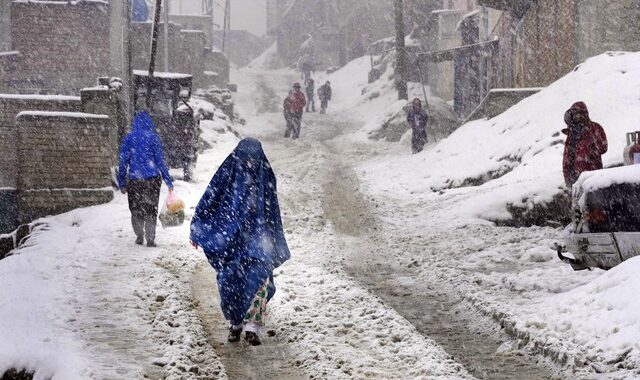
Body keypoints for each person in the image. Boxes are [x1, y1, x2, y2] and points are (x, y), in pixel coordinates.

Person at [190, 138, 291, 346]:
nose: (249, 164)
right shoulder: (227, 174)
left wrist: (272, 238)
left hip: (258, 242)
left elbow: (273, 211)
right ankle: (236, 323)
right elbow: (210, 199)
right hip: (231, 241)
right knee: (231, 283)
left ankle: (252, 327)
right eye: (246, 159)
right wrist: (198, 229)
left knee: (259, 281)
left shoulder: (265, 176)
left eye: (253, 159)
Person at [117, 110, 174, 247]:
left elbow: (123, 161)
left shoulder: (129, 138)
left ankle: (139, 234)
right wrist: (168, 180)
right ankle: (150, 238)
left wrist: (122, 182)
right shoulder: (154, 137)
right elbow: (160, 160)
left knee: (136, 208)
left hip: (135, 180)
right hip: (152, 179)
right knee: (151, 208)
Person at [562, 101, 608, 187]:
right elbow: (567, 154)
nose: (576, 116)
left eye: (578, 113)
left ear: (584, 113)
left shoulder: (595, 128)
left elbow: (603, 147)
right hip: (573, 175)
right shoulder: (572, 131)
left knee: (591, 199)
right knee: (577, 200)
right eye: (574, 114)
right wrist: (566, 173)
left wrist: (591, 152)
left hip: (591, 174)